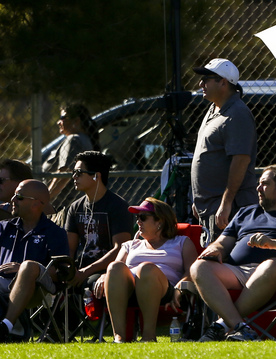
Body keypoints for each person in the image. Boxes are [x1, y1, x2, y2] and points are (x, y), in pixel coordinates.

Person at [191, 164, 276, 342]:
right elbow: (223, 242)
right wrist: (215, 249)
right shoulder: (246, 213)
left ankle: (221, 325)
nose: (258, 188)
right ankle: (240, 328)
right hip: (239, 272)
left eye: (265, 184)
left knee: (271, 265)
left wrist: (273, 244)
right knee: (199, 267)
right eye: (259, 184)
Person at [100, 197, 198, 343]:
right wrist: (104, 276)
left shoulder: (181, 242)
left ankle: (148, 336)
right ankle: (119, 337)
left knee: (146, 268)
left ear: (160, 221)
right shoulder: (130, 245)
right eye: (137, 217)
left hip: (163, 289)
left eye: (143, 217)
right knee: (114, 266)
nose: (138, 221)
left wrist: (179, 288)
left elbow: (193, 270)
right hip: (128, 290)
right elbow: (115, 270)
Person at [191, 58, 258, 237]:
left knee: (222, 263)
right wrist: (199, 200)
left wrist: (226, 203)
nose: (201, 83)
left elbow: (241, 160)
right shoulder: (215, 108)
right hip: (211, 206)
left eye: (206, 79)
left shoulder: (237, 113)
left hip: (230, 209)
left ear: (223, 82)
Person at [0, 180, 70, 342]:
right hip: (2, 282)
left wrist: (23, 270)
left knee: (29, 266)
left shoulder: (55, 233)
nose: (13, 201)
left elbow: (61, 272)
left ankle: (6, 326)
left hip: (38, 289)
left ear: (36, 204)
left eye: (19, 197)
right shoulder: (4, 228)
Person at [64, 151, 133, 289]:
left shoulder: (118, 206)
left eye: (79, 172)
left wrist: (85, 272)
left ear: (96, 176)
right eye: (74, 172)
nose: (74, 176)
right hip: (80, 268)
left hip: (105, 270)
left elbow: (120, 249)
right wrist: (67, 271)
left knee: (92, 284)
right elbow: (69, 249)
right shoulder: (75, 207)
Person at [46, 103, 100, 202]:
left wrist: (45, 199)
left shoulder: (73, 140)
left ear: (76, 120)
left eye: (62, 118)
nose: (58, 122)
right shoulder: (84, 140)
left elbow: (64, 174)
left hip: (60, 203)